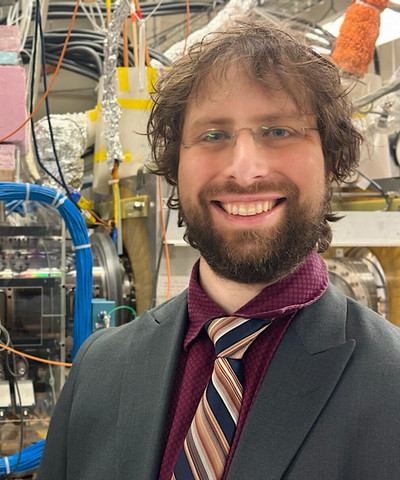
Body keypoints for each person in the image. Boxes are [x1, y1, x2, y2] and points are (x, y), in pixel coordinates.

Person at [37, 20, 400, 480]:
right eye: (213, 135)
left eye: (280, 131)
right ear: (176, 166)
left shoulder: (392, 384)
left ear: (331, 160)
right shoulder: (99, 368)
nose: (244, 169)